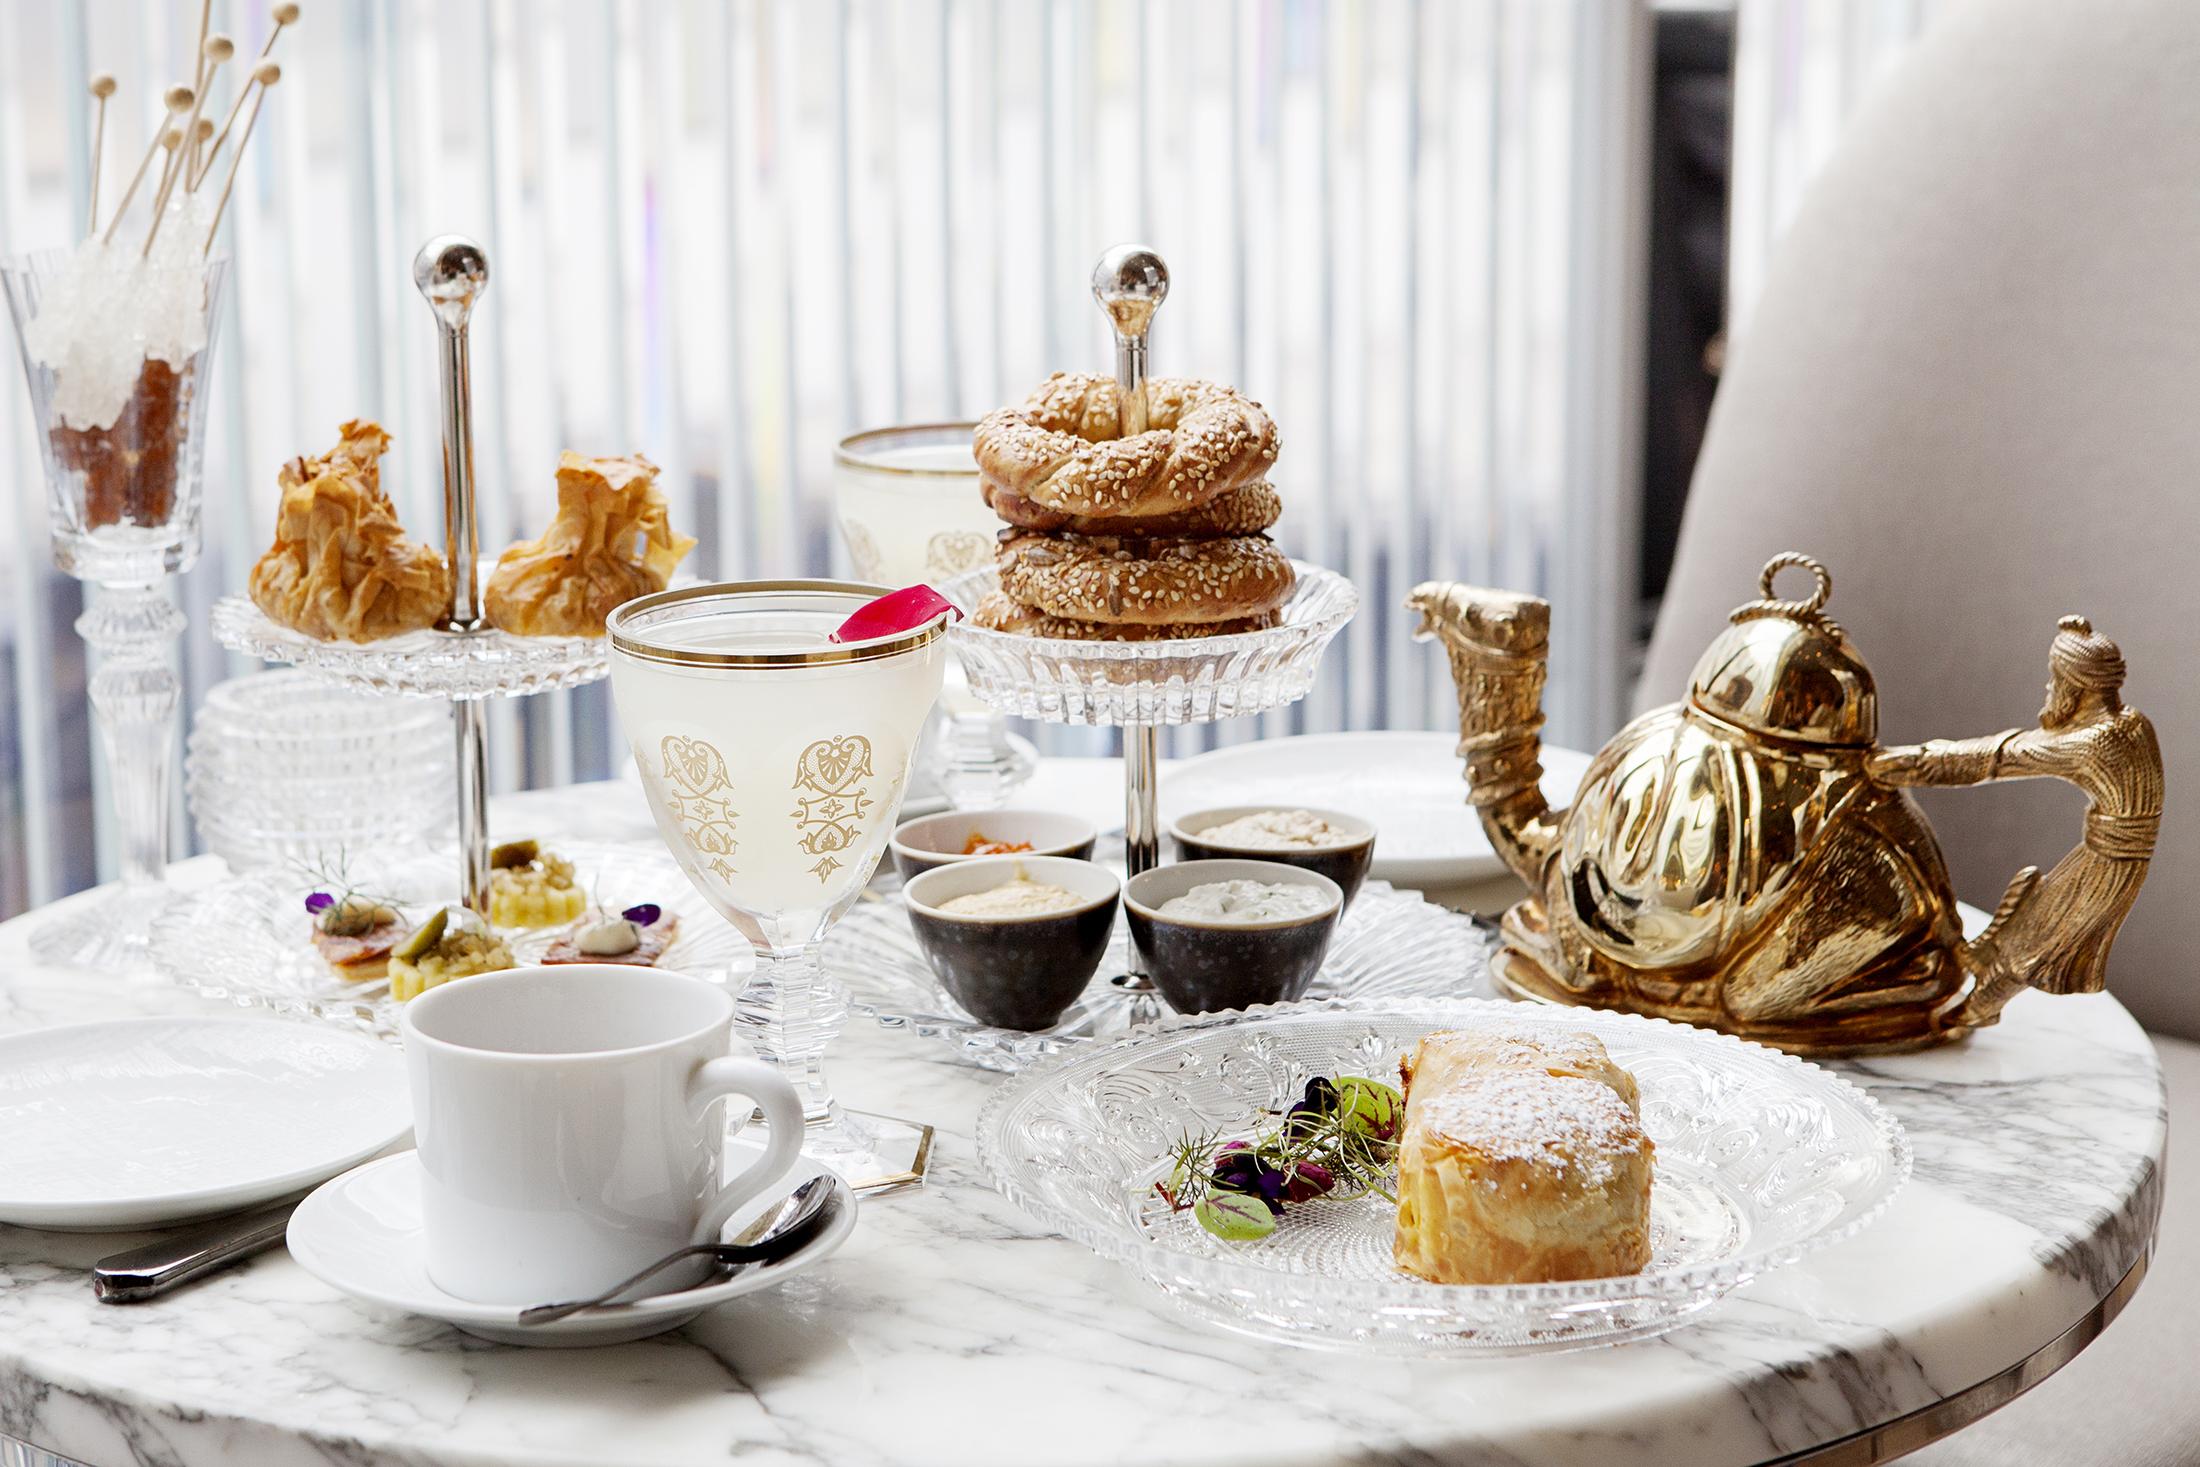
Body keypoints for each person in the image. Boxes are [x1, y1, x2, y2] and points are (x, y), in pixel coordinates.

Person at [1869, 616, 2163, 1010]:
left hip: (2104, 869)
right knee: (2030, 932)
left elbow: (1997, 757)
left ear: (2074, 684)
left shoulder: (2093, 743)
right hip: (2110, 862)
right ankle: (1977, 984)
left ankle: (1971, 1013)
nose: (2048, 688)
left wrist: (1907, 763)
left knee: (2029, 952)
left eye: (2053, 678)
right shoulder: (2133, 723)